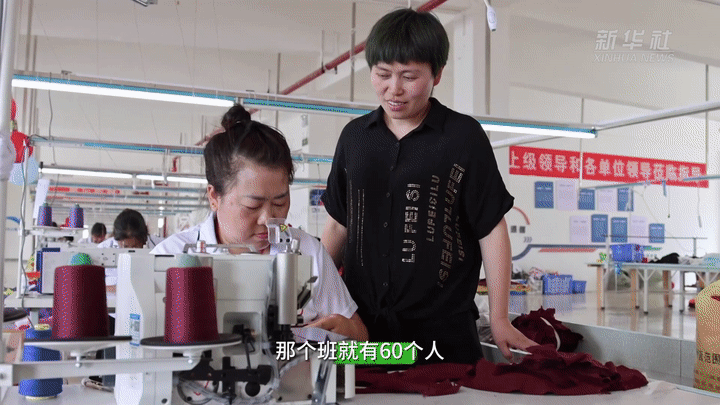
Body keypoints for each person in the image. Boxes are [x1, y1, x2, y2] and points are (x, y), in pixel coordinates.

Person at [320, 8, 536, 363]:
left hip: (442, 333)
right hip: (364, 330)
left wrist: (499, 318)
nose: (394, 89)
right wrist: (315, 298)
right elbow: (338, 225)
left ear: (437, 73)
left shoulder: (462, 137)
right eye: (382, 74)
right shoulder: (355, 138)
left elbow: (490, 229)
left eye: (409, 76)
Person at [151, 105, 368, 342]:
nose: (268, 219)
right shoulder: (170, 258)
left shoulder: (307, 250)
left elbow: (360, 337)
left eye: (280, 202)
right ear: (214, 197)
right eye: (253, 206)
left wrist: (349, 337)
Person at [98, 209, 163, 249]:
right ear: (116, 239)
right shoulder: (103, 249)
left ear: (145, 238)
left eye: (136, 246)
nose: (130, 251)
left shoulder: (161, 246)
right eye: (125, 246)